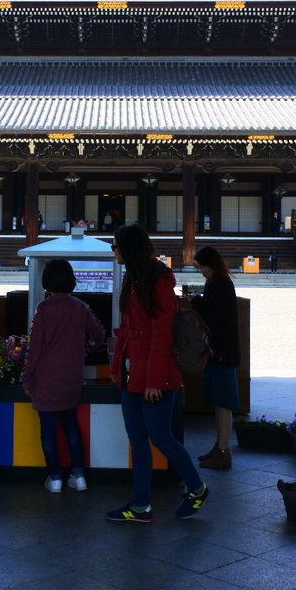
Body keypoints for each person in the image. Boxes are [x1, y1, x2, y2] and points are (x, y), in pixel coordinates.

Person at [107, 223, 209, 523]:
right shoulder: (133, 278)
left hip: (155, 376)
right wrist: (117, 369)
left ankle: (197, 487)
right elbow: (127, 331)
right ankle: (140, 505)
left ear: (129, 247)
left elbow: (161, 333)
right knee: (137, 438)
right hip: (131, 372)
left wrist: (155, 381)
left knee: (161, 437)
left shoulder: (159, 279)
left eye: (116, 245)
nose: (113, 250)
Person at [22, 259, 106, 493]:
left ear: (47, 281)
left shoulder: (44, 309)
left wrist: (27, 378)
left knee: (48, 429)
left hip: (46, 380)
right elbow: (99, 335)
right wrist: (86, 347)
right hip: (71, 379)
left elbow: (34, 348)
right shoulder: (80, 306)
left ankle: (56, 478)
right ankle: (79, 477)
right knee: (71, 425)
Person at [190, 245, 241, 470]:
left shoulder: (220, 284)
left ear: (210, 264)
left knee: (222, 404)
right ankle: (219, 447)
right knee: (221, 404)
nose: (200, 270)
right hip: (221, 351)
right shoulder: (220, 282)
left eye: (201, 266)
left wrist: (194, 301)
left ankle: (223, 451)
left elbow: (212, 313)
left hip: (221, 352)